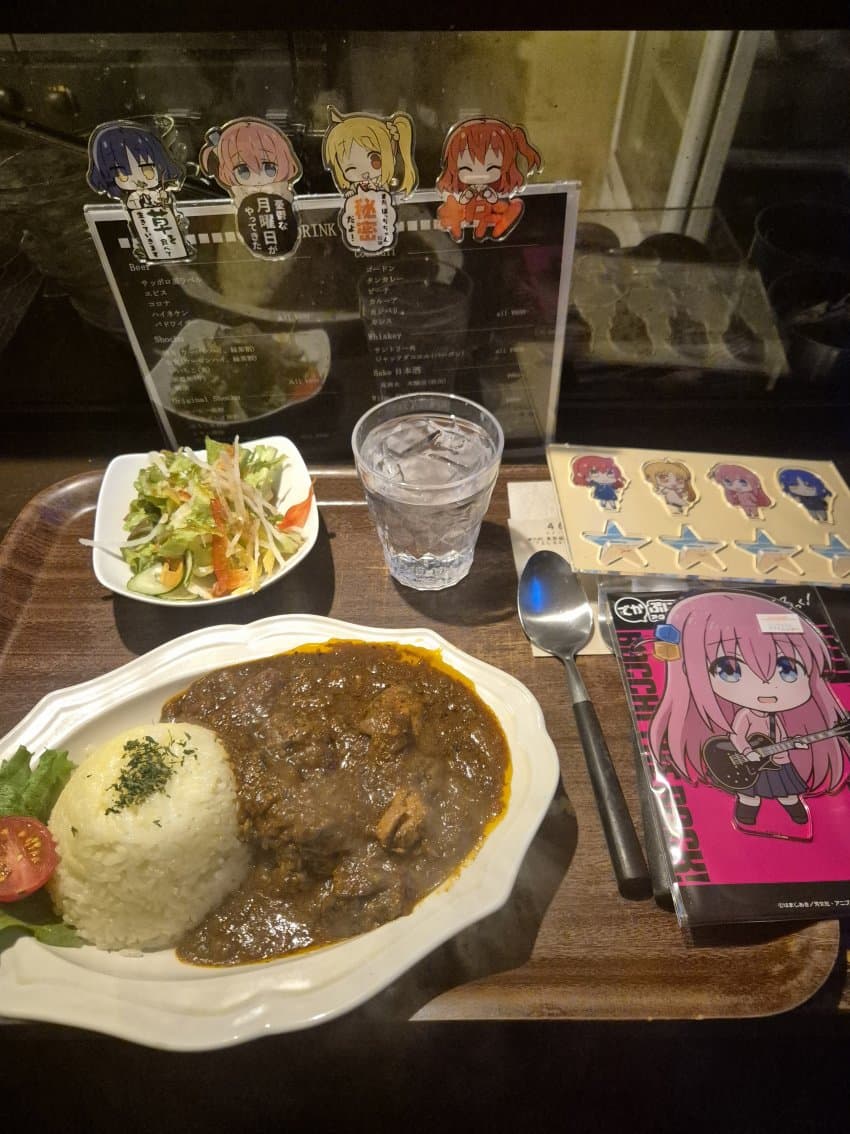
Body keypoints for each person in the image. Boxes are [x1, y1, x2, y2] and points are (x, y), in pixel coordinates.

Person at [647, 590, 849, 830]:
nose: (766, 686)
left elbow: (779, 738)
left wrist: (795, 744)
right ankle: (747, 816)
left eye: (788, 669)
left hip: (779, 762)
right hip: (749, 762)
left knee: (788, 794)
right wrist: (746, 752)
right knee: (749, 795)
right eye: (729, 670)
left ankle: (797, 816)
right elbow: (737, 736)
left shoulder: (776, 718)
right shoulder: (746, 715)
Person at [436, 116, 541, 242]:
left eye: (492, 167)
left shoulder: (498, 193)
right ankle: (464, 230)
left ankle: (486, 231)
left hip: (487, 216)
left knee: (512, 208)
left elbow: (495, 200)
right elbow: (460, 201)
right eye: (466, 168)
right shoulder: (457, 193)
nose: (479, 175)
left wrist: (489, 197)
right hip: (466, 213)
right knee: (451, 207)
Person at [199, 118, 302, 205]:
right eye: (243, 171)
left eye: (269, 169)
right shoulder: (239, 194)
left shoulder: (282, 191)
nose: (257, 178)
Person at [322, 107, 417, 197]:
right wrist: (350, 193)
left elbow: (385, 194)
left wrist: (376, 190)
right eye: (350, 169)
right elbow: (351, 191)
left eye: (374, 159)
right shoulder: (355, 184)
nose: (365, 173)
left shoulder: (380, 181)